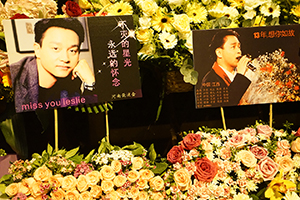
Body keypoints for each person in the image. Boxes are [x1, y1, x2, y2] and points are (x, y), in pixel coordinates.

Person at [10, 18, 97, 112]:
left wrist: (89, 83)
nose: (65, 58)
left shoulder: (72, 80)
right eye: (56, 48)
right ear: (38, 50)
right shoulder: (13, 76)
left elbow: (79, 117)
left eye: (72, 50)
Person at [200, 29, 254, 107]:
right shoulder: (210, 80)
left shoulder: (238, 73)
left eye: (239, 47)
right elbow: (227, 103)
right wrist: (240, 75)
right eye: (233, 47)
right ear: (219, 53)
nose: (239, 51)